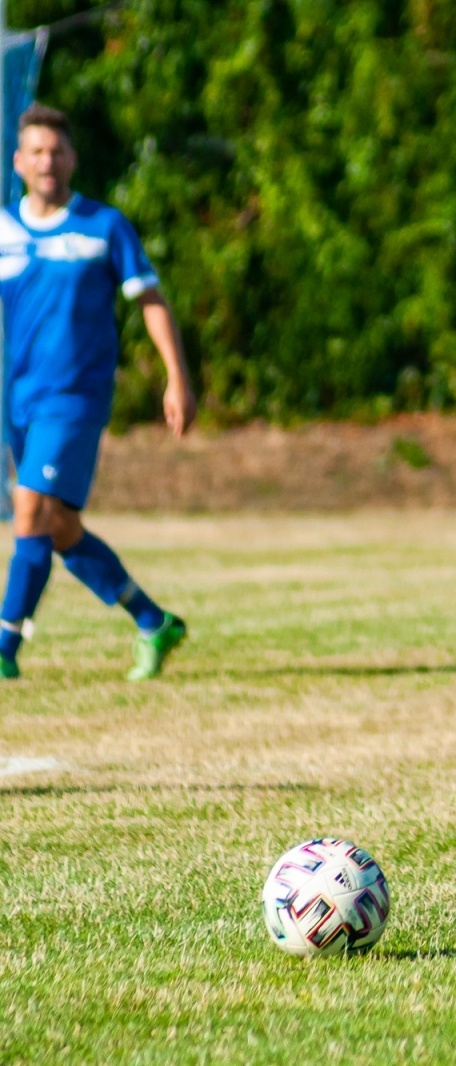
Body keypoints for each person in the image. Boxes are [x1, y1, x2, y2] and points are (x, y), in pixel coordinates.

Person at [0, 104, 193, 682]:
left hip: (76, 399)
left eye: (56, 150)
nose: (47, 161)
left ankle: (5, 645)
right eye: (35, 151)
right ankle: (152, 620)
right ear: (19, 161)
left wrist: (176, 376)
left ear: (72, 159)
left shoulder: (102, 226)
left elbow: (150, 300)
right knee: (56, 526)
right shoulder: (4, 229)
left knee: (29, 510)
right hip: (19, 400)